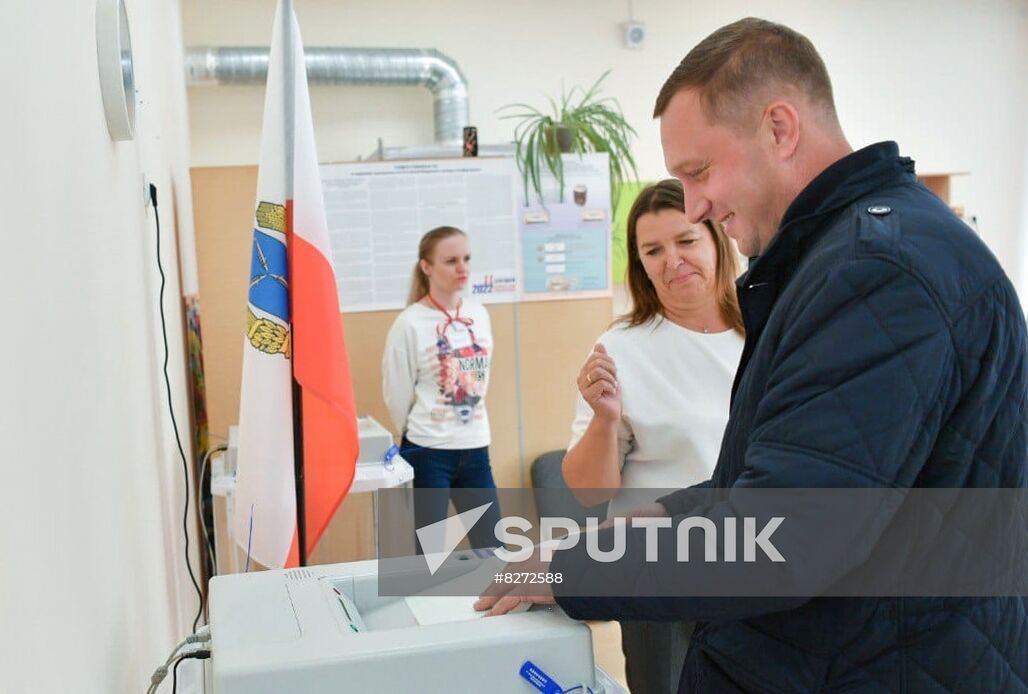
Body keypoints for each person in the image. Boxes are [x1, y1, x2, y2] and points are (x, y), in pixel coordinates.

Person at [477, 17, 1028, 693]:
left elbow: (785, 537)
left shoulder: (875, 274)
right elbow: (777, 481)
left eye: (700, 172)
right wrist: (635, 528)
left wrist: (569, 574)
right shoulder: (846, 254)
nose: (699, 205)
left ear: (780, 128)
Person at [562, 179, 743, 694]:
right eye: (653, 250)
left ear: (717, 241)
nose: (673, 260)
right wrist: (604, 419)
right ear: (639, 264)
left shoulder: (766, 332)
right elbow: (589, 490)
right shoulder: (622, 348)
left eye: (686, 241)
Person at [382, 226, 500, 552]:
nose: (462, 268)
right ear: (427, 267)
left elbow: (482, 381)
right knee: (431, 553)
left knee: (492, 548)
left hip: (475, 448)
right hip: (428, 451)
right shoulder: (409, 323)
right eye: (451, 261)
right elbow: (397, 392)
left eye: (466, 259)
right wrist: (421, 430)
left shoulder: (479, 314)